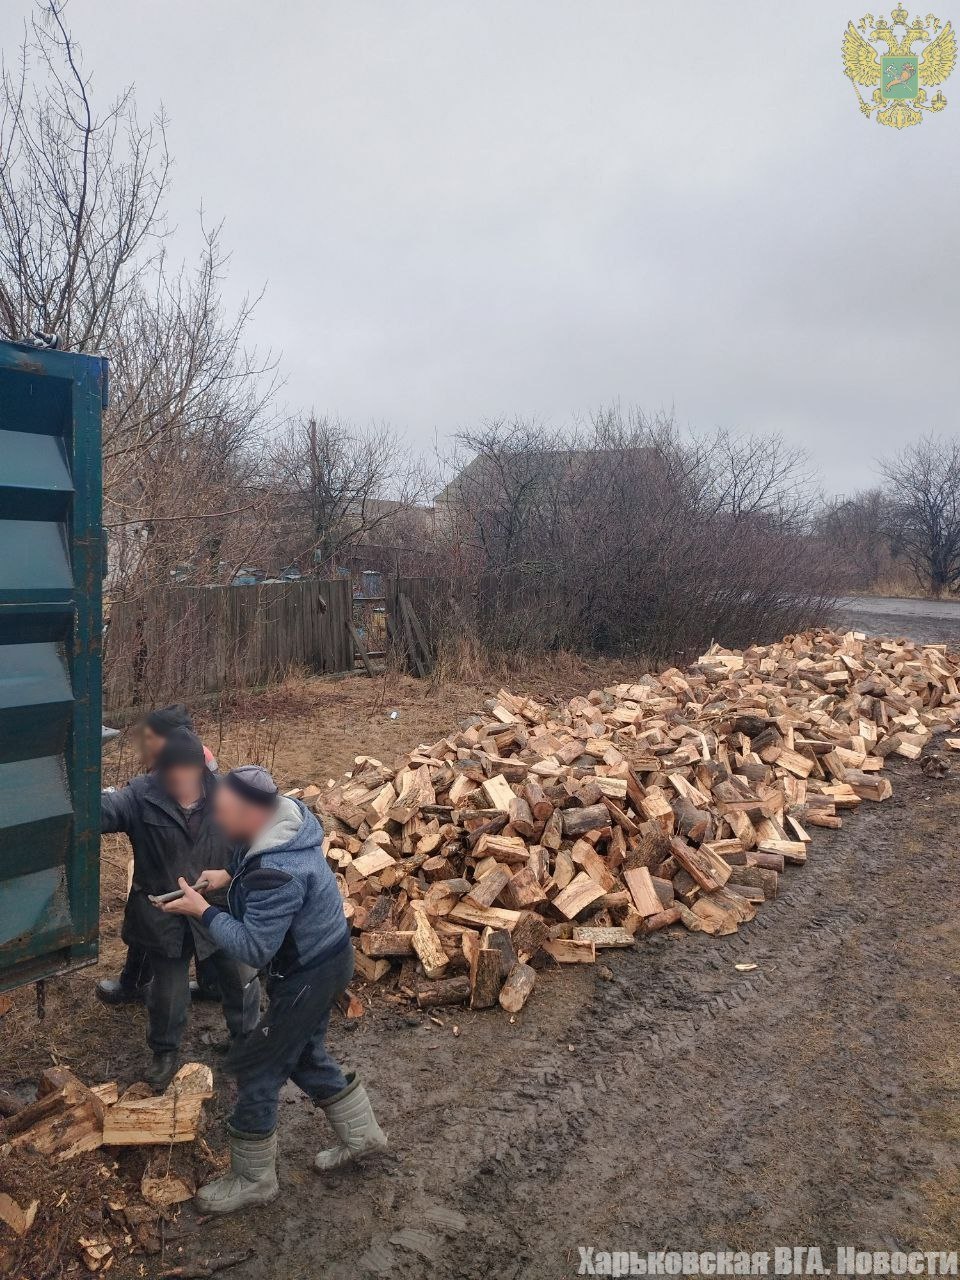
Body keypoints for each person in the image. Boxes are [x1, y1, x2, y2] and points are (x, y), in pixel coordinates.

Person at [159, 765, 387, 1214]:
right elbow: (256, 863)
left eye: (223, 813)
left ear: (252, 812)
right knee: (303, 1053)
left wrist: (202, 911)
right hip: (328, 957)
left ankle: (252, 1178)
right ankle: (364, 1137)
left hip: (308, 975)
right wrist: (229, 877)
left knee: (257, 1066)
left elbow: (254, 946)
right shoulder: (288, 820)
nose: (217, 822)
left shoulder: (277, 872)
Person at [101, 731, 260, 1090]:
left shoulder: (227, 794)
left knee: (240, 978)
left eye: (186, 772)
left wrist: (233, 873)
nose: (179, 781)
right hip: (165, 913)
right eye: (170, 773)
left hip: (216, 908)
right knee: (168, 994)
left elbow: (262, 833)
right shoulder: (140, 795)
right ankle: (165, 1052)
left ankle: (246, 1044)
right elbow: (105, 812)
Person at [97, 704, 220, 1007]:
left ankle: (200, 985)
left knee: (187, 915)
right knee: (154, 907)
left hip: (197, 868)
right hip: (179, 864)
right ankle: (140, 982)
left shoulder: (196, 765)